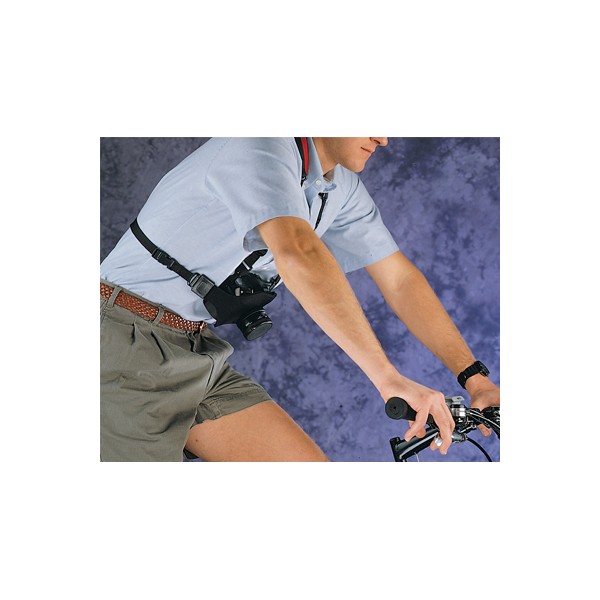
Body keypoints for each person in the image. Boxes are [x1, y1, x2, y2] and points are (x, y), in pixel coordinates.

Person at [100, 137, 500, 462]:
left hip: (195, 349)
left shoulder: (337, 186)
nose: (383, 139)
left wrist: (475, 378)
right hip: (123, 341)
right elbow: (298, 251)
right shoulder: (259, 145)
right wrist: (388, 379)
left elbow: (399, 279)